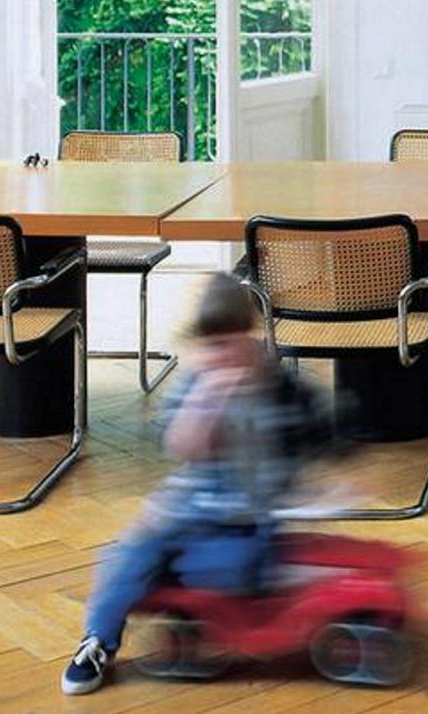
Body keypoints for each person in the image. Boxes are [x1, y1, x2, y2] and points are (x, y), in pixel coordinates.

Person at [62, 273, 331, 695]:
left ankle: (171, 578)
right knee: (126, 557)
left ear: (251, 336)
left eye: (229, 343)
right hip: (184, 513)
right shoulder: (195, 384)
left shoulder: (278, 385)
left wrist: (323, 482)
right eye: (210, 346)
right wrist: (206, 403)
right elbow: (179, 446)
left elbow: (315, 435)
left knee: (237, 570)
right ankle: (97, 641)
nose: (219, 355)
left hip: (245, 523)